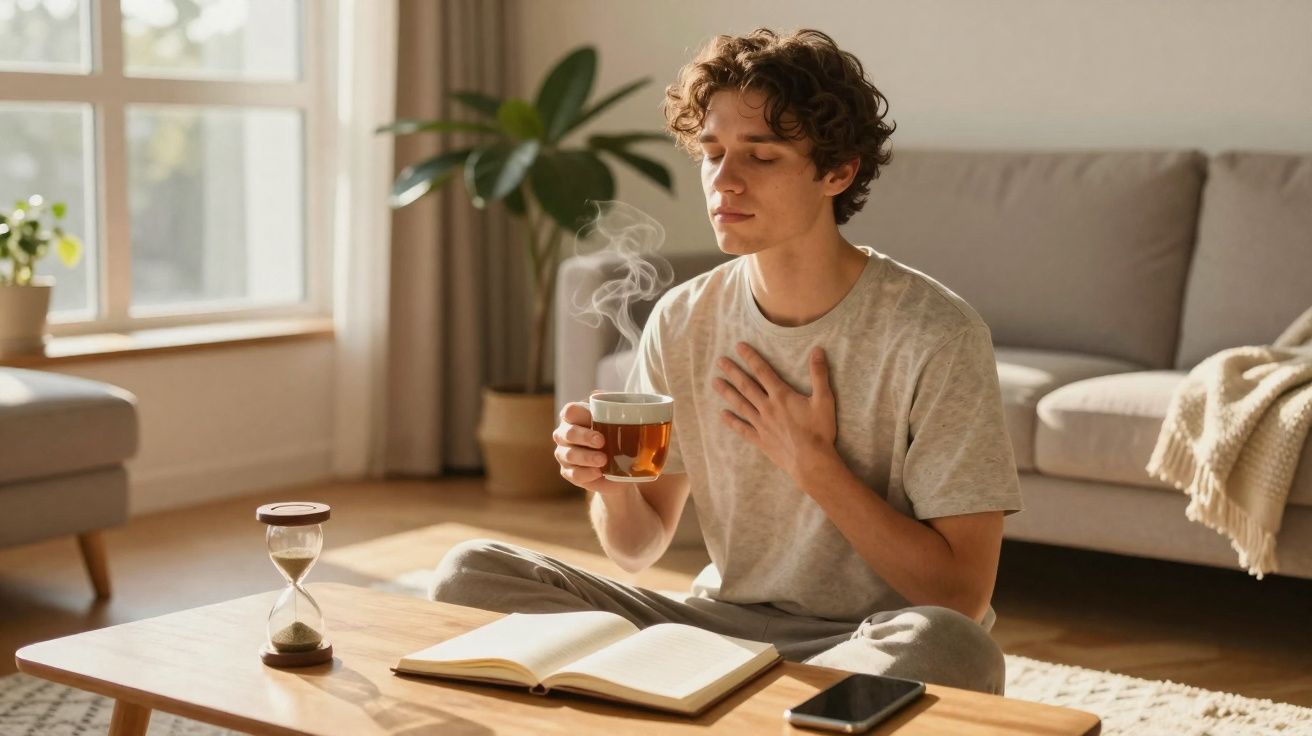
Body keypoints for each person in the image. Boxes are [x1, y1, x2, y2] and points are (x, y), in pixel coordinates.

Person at [431, 27, 1023, 695]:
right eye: (711, 153)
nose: (724, 180)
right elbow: (637, 547)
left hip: (869, 640)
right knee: (468, 572)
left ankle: (704, 700)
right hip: (715, 625)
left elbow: (961, 598)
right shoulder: (684, 319)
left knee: (951, 649)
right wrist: (609, 482)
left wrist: (814, 464)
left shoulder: (936, 334)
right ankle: (753, 702)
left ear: (838, 171)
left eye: (761, 156)